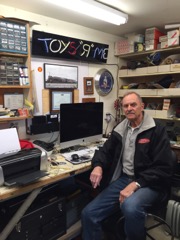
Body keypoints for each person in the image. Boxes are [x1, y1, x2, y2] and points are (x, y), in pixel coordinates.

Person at [81, 91, 174, 240]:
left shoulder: (156, 129)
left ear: (142, 106)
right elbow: (105, 150)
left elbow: (163, 167)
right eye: (126, 106)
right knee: (89, 213)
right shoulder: (121, 128)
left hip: (150, 183)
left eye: (133, 104)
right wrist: (98, 165)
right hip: (124, 179)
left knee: (129, 207)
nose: (129, 108)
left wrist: (136, 184)